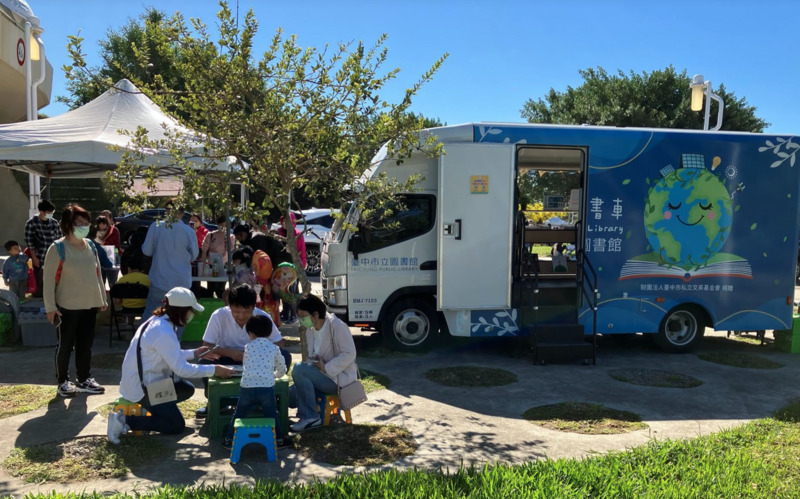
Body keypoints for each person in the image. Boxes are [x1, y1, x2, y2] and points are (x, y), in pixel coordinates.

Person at [107, 287, 234, 444]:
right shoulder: (163, 331)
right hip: (143, 387)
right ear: (181, 311)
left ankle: (159, 409)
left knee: (185, 389)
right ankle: (124, 420)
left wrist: (195, 353)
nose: (191, 315)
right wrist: (215, 369)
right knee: (175, 425)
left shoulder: (160, 322)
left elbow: (169, 353)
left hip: (149, 381)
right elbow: (182, 369)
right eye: (190, 311)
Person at [195, 284, 291, 417]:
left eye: (246, 312)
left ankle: (266, 400)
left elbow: (279, 345)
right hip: (227, 360)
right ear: (229, 306)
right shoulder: (219, 315)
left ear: (254, 307)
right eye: (236, 311)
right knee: (205, 361)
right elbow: (206, 347)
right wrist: (229, 353)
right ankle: (216, 402)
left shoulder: (262, 317)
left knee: (285, 356)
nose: (241, 316)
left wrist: (258, 352)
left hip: (257, 363)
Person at [43, 204, 108, 398]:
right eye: (79, 223)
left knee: (85, 345)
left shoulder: (90, 246)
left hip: (89, 305)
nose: (84, 226)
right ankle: (63, 380)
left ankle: (84, 378)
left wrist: (101, 298)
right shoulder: (58, 248)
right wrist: (50, 308)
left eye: (86, 223)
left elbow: (97, 274)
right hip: (66, 307)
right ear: (68, 224)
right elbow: (47, 282)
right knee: (65, 345)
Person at [289, 294, 357, 432]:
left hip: (337, 379)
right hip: (320, 377)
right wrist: (315, 362)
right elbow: (312, 356)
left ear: (315, 314)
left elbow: (350, 353)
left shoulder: (337, 326)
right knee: (289, 395)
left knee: (299, 368)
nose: (301, 320)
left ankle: (310, 417)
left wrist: (326, 367)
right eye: (299, 316)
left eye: (303, 316)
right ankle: (301, 417)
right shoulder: (311, 330)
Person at [222, 314, 290, 450]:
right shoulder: (274, 348)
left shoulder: (248, 347)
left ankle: (229, 439)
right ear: (270, 332)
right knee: (271, 413)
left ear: (250, 333)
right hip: (266, 387)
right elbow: (282, 367)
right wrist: (277, 375)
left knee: (239, 413)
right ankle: (279, 439)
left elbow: (247, 364)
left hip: (247, 386)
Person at [141, 201, 198, 321]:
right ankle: (175, 340)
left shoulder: (155, 226)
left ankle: (146, 339)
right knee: (179, 319)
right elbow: (194, 256)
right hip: (181, 282)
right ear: (182, 213)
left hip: (159, 280)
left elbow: (147, 251)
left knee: (151, 318)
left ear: (166, 211)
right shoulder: (189, 231)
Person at [25, 200, 62, 297]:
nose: (51, 215)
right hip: (39, 257)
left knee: (53, 281)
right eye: (49, 213)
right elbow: (30, 242)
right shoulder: (31, 223)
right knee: (39, 282)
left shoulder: (54, 223)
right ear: (41, 212)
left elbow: (60, 239)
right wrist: (34, 257)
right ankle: (38, 300)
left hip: (53, 257)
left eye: (52, 213)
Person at [277, 214, 306, 324]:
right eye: (283, 221)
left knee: (292, 292)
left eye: (288, 221)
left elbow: (302, 252)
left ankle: (294, 314)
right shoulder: (278, 233)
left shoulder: (298, 235)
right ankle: (285, 313)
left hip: (293, 268)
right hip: (280, 268)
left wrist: (300, 267)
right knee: (282, 292)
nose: (285, 224)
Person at [201, 216, 235, 298]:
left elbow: (230, 249)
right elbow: (204, 250)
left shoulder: (231, 237)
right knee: (210, 287)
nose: (223, 227)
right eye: (221, 225)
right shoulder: (211, 235)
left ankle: (221, 303)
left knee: (220, 288)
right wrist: (203, 263)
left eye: (225, 225)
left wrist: (226, 238)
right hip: (211, 264)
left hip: (223, 265)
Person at [92, 215, 121, 287]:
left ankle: (113, 295)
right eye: (100, 224)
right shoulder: (94, 231)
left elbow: (116, 242)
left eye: (103, 224)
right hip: (99, 255)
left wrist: (104, 243)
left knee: (112, 278)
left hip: (112, 255)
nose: (101, 226)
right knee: (101, 279)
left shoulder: (113, 230)